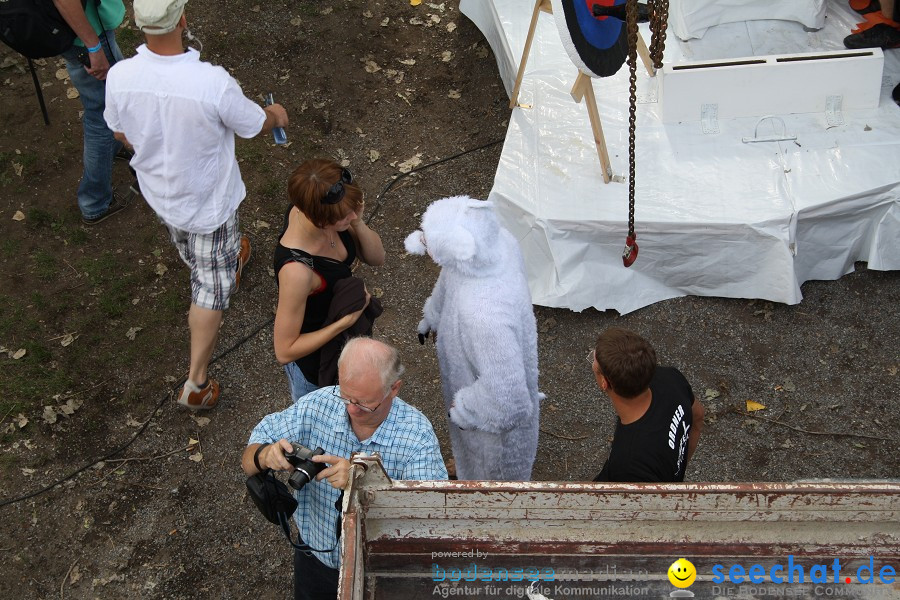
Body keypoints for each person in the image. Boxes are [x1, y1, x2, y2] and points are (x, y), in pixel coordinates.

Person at [103, 0, 289, 410]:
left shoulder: (120, 76)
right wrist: (276, 115)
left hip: (161, 194)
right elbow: (254, 124)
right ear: (183, 20)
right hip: (208, 204)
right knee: (208, 288)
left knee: (191, 247)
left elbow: (118, 132)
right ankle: (196, 383)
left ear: (137, 24)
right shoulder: (212, 83)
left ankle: (225, 262)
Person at [242, 337, 447, 600]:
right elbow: (247, 459)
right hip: (314, 557)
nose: (350, 409)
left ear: (394, 389)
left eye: (362, 404)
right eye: (345, 395)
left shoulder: (417, 437)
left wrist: (361, 484)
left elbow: (429, 521)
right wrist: (263, 455)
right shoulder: (317, 405)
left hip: (376, 570)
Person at [404, 195, 543, 481]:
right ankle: (466, 469)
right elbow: (451, 274)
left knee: (492, 474)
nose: (423, 243)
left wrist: (466, 408)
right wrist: (435, 314)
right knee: (469, 452)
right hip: (472, 372)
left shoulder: (484, 315)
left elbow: (509, 403)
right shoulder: (495, 244)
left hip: (491, 427)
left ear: (459, 246)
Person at [273, 159, 386, 400]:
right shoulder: (297, 272)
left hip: (343, 347)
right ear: (320, 220)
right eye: (346, 216)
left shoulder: (317, 205)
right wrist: (344, 323)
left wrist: (356, 221)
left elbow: (377, 258)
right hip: (317, 370)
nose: (353, 215)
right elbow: (284, 350)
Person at [589, 328, 704, 482]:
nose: (592, 364)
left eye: (594, 363)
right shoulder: (670, 378)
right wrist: (676, 470)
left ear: (605, 382)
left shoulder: (628, 465)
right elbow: (698, 415)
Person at [52, 0, 131, 224]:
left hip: (81, 32)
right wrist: (93, 47)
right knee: (102, 114)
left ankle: (115, 146)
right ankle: (94, 203)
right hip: (87, 36)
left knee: (107, 106)